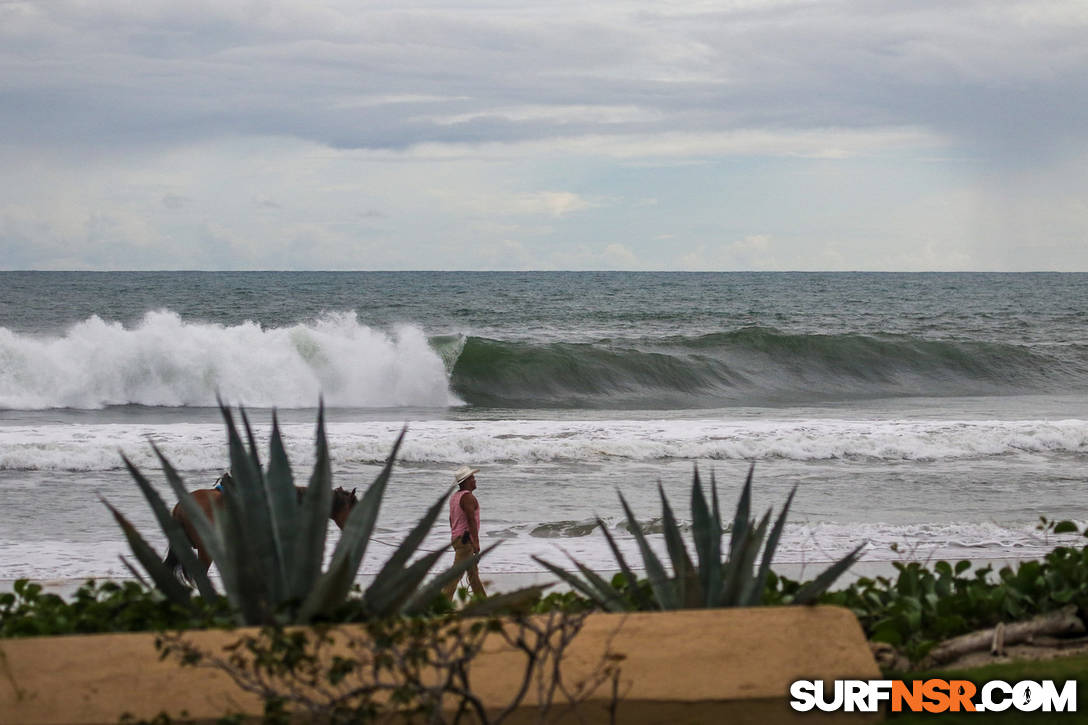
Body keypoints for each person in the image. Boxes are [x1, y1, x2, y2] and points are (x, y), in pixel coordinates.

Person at [443, 465, 487, 600]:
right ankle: (442, 603)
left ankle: (483, 602)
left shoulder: (455, 497)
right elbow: (471, 520)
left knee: (473, 574)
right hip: (466, 540)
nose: (475, 480)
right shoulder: (468, 497)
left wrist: (456, 536)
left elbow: (451, 519)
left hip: (457, 538)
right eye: (472, 478)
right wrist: (475, 542)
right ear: (466, 481)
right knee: (456, 574)